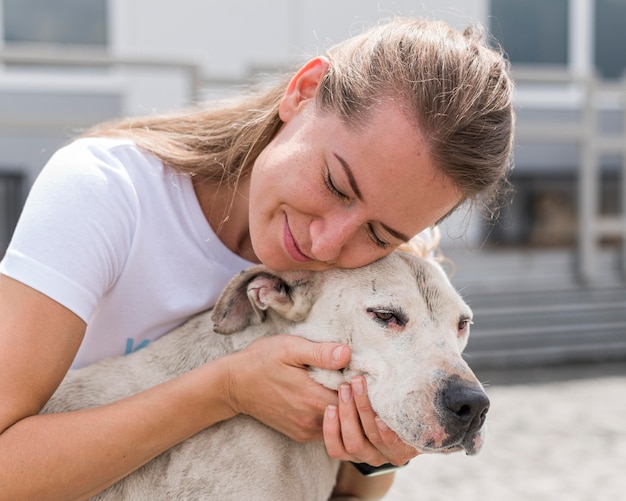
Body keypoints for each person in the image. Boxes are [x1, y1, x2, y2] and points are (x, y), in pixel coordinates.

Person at [0, 17, 513, 500]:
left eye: (381, 233)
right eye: (335, 185)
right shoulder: (105, 192)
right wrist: (227, 389)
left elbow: (348, 492)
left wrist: (378, 457)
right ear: (304, 92)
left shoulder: (373, 284)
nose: (326, 244)